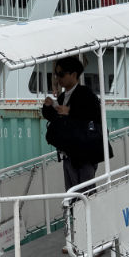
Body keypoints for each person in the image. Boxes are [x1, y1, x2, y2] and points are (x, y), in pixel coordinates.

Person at [42, 56, 105, 191]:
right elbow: (54, 117)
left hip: (84, 153)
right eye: (56, 74)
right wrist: (48, 106)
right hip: (69, 153)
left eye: (61, 74)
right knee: (72, 192)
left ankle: (87, 212)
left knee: (85, 191)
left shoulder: (85, 93)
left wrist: (69, 111)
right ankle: (74, 212)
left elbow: (93, 114)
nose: (58, 78)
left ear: (74, 74)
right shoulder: (63, 96)